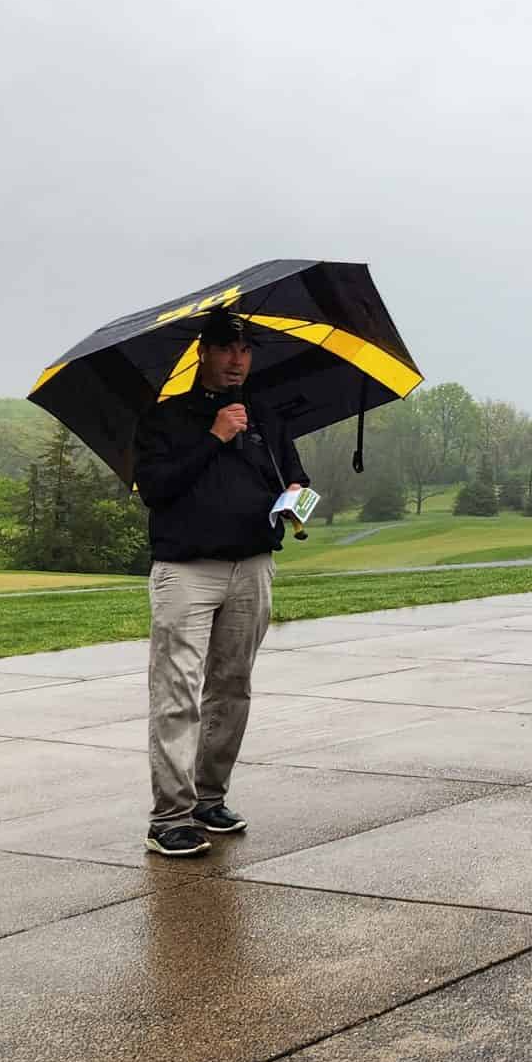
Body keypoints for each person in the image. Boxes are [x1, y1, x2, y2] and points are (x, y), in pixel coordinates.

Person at [132, 313, 308, 857]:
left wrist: (296, 499)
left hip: (253, 566)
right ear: (202, 353)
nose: (237, 360)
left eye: (245, 350)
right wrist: (214, 436)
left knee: (232, 687)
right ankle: (170, 818)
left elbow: (295, 476)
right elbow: (155, 489)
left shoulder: (265, 418)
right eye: (226, 348)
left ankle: (210, 797)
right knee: (178, 692)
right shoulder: (166, 418)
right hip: (186, 570)